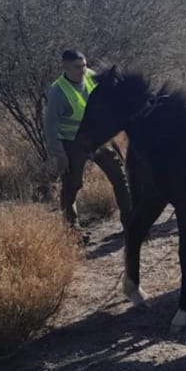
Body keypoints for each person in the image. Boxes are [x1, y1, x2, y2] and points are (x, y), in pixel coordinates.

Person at [44, 49, 132, 238]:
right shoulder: (58, 91)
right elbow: (51, 126)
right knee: (71, 186)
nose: (83, 70)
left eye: (84, 65)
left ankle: (130, 222)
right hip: (73, 143)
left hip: (98, 138)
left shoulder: (92, 77)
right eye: (77, 67)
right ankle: (73, 232)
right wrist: (59, 154)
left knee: (120, 177)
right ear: (65, 67)